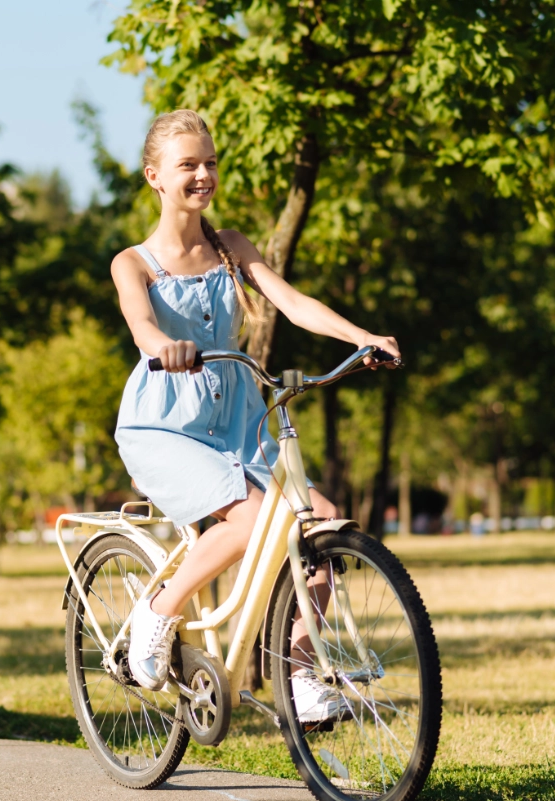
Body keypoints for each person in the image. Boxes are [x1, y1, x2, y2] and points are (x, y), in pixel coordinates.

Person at [112, 110, 400, 722]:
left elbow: (293, 304)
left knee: (319, 524)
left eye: (210, 162)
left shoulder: (231, 246)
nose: (203, 174)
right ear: (155, 177)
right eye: (188, 164)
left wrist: (360, 337)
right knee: (254, 516)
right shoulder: (132, 262)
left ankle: (300, 678)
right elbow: (141, 324)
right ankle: (158, 611)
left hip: (240, 426)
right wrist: (162, 346)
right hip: (165, 427)